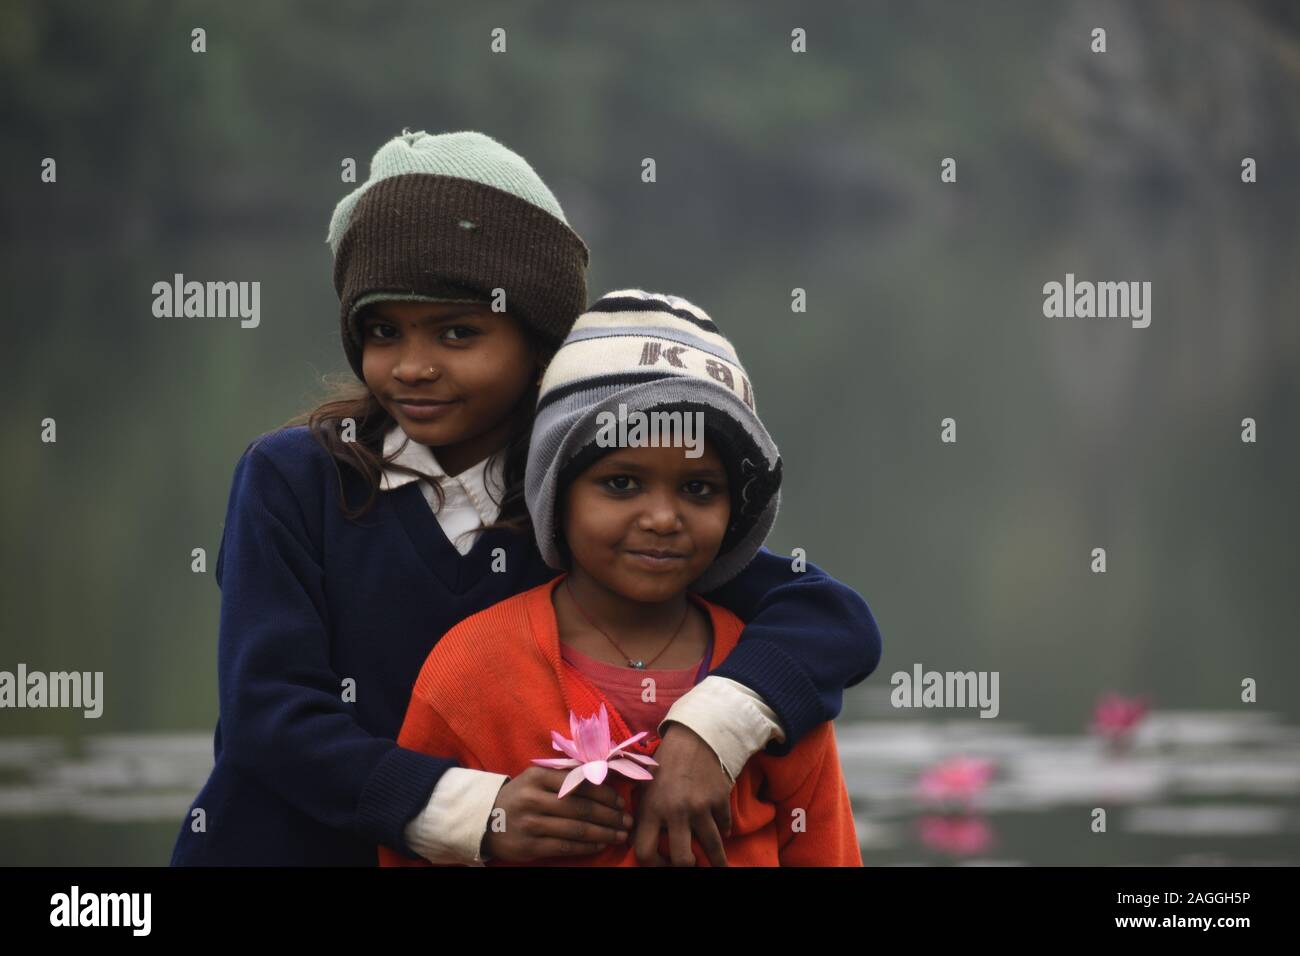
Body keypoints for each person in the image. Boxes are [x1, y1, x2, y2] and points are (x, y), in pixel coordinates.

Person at [170, 130, 882, 866]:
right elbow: (270, 717)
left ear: (539, 342)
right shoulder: (294, 480)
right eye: (383, 331)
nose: (413, 366)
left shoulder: (586, 500)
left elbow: (830, 618)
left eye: (457, 333)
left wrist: (709, 730)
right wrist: (478, 811)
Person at [380, 290, 863, 866]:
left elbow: (825, 848)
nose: (662, 519)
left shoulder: (770, 693)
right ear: (556, 496)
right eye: (621, 484)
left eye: (698, 489)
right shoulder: (472, 668)